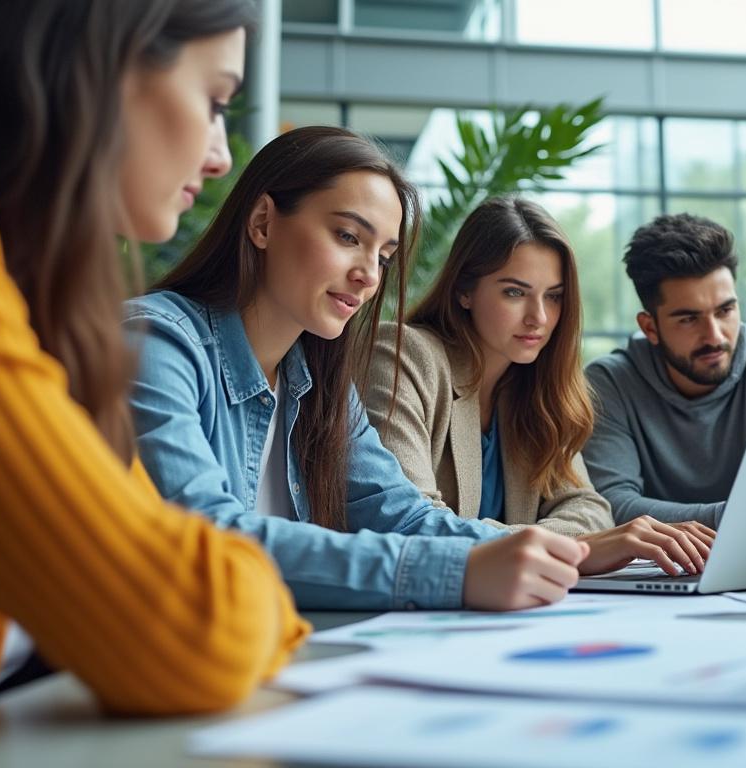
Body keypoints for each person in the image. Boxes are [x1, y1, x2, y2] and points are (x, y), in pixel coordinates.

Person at [0, 0, 308, 738]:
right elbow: (184, 628)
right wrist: (230, 585)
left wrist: (216, 582)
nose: (221, 155)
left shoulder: (32, 298)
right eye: (214, 100)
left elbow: (174, 564)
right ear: (103, 64)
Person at [126, 127, 598, 613]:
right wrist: (456, 572)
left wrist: (564, 552)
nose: (369, 274)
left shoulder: (316, 381)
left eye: (384, 256)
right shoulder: (156, 343)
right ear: (264, 222)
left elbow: (403, 516)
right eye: (348, 236)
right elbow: (204, 532)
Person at [362, 196, 715, 577]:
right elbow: (408, 524)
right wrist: (575, 547)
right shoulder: (404, 355)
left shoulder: (537, 389)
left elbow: (589, 509)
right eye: (514, 292)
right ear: (465, 290)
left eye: (554, 296)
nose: (539, 318)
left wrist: (562, 543)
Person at [582, 213, 746, 529]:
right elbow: (612, 505)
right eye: (689, 319)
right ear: (650, 327)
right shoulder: (609, 383)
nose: (715, 336)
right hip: (657, 568)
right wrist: (736, 518)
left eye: (725, 311)